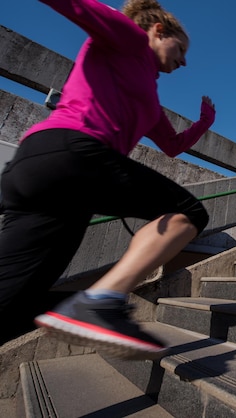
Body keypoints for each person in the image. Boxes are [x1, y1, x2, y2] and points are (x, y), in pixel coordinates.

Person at [0, 0, 216, 359]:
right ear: (159, 32)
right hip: (71, 154)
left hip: (46, 174)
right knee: (188, 212)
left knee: (12, 298)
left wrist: (203, 123)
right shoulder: (128, 36)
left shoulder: (148, 95)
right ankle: (100, 301)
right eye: (180, 49)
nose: (184, 62)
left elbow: (172, 146)